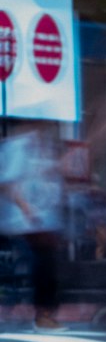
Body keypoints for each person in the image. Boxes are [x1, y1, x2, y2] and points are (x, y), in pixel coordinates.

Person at [0, 125, 65, 330]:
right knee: (44, 265)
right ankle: (43, 315)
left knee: (49, 264)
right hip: (26, 223)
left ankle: (44, 313)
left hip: (41, 221)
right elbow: (7, 184)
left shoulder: (44, 149)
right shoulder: (19, 147)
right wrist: (27, 209)